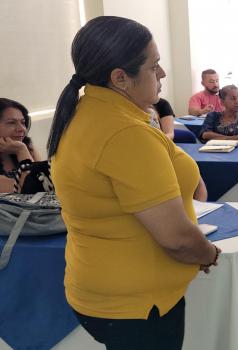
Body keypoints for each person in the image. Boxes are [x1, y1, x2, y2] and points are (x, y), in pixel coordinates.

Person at [47, 16, 218, 349]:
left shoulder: (88, 111)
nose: (163, 74)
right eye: (154, 66)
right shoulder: (124, 133)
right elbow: (177, 240)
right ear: (120, 78)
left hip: (104, 291)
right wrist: (208, 254)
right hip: (138, 305)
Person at [0, 98, 41, 193]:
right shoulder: (21, 148)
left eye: (23, 122)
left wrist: (22, 150)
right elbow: (33, 188)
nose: (22, 129)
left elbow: (47, 183)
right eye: (11, 122)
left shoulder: (25, 145)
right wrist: (21, 151)